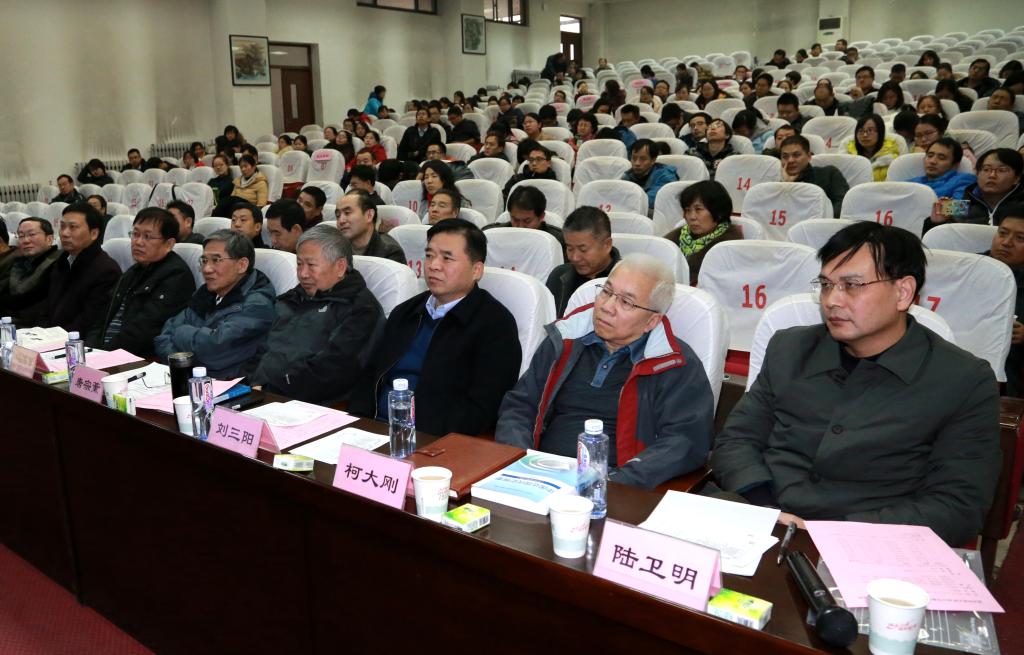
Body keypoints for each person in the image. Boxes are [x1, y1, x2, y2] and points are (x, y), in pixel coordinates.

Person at [710, 222, 1000, 546]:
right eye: (826, 285)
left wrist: (835, 533)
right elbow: (737, 439)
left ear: (903, 292)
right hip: (761, 519)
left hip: (871, 546)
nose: (832, 300)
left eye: (852, 285)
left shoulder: (963, 380)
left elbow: (957, 506)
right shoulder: (790, 349)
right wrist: (764, 507)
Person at [496, 253, 714, 490]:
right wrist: (521, 461)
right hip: (539, 474)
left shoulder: (675, 364)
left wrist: (616, 483)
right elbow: (520, 406)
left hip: (615, 486)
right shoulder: (565, 339)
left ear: (652, 321)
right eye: (606, 292)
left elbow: (684, 441)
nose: (607, 307)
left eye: (626, 302)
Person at [349, 219, 521, 436]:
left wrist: (423, 440)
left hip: (433, 440)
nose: (433, 265)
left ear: (476, 270)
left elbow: (483, 408)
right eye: (429, 255)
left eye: (447, 258)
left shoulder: (495, 325)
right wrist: (357, 426)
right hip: (373, 429)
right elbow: (370, 375)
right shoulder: (406, 312)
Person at [248, 226, 385, 404]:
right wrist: (246, 383)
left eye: (311, 265)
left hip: (307, 404)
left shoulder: (361, 309)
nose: (303, 274)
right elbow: (260, 348)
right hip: (260, 393)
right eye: (299, 264)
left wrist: (270, 389)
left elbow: (334, 370)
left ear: (340, 267)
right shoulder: (292, 298)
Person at [155, 229, 276, 379]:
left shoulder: (258, 306)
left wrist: (179, 333)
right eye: (204, 260)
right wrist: (182, 362)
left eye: (216, 260)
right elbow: (163, 337)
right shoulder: (205, 294)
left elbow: (213, 353)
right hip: (189, 378)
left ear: (242, 265)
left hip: (230, 385)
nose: (206, 269)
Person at [91, 208, 195, 357]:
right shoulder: (133, 271)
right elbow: (102, 317)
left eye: (147, 237)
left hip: (138, 358)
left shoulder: (176, 275)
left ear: (169, 244)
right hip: (105, 354)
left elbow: (143, 331)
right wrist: (91, 349)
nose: (138, 242)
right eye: (135, 234)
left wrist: (103, 355)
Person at [46, 203, 121, 340]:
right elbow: (46, 305)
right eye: (62, 226)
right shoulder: (61, 261)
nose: (64, 233)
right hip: (49, 337)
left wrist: (53, 339)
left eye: (73, 227)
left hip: (75, 342)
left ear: (94, 234)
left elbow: (89, 320)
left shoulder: (106, 270)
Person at [659, 180, 742, 285]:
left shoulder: (730, 244)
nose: (691, 217)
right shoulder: (680, 235)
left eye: (698, 209)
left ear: (719, 212)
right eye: (688, 210)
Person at [546, 207, 622, 316]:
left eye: (583, 250)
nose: (575, 257)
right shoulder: (558, 276)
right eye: (570, 248)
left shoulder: (627, 282)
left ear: (607, 245)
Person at [987, 205, 1024, 396]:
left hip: (1010, 374)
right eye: (1002, 233)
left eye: (1020, 238)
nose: (1006, 243)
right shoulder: (967, 268)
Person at [0, 218, 61, 327]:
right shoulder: (18, 261)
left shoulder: (58, 262)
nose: (26, 240)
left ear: (49, 239)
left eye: (32, 235)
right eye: (21, 236)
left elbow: (30, 299)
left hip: (37, 326)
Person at [779, 135, 849, 218]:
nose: (790, 160)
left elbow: (844, 204)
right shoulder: (778, 184)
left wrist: (817, 219)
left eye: (796, 155)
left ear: (809, 156)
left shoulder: (829, 174)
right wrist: (788, 186)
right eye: (785, 157)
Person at [484, 185, 565, 256]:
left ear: (541, 217)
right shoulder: (491, 235)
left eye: (527, 221)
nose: (520, 226)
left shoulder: (558, 241)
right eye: (515, 220)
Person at [336, 189, 405, 263]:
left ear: (369, 215)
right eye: (338, 215)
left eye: (347, 213)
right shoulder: (336, 248)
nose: (341, 221)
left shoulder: (390, 252)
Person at [911, 137, 976, 214]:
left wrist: (919, 208)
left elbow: (962, 208)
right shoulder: (911, 183)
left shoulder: (963, 180)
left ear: (955, 164)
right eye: (930, 156)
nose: (932, 161)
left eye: (941, 158)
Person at [961, 148, 1024, 224]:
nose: (992, 175)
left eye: (1001, 170)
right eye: (986, 169)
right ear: (977, 174)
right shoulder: (958, 206)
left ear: (1017, 178)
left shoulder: (1021, 206)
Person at [622, 139, 679, 212]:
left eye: (643, 159)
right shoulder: (628, 175)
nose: (637, 163)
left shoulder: (666, 175)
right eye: (634, 158)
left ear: (653, 160)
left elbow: (651, 201)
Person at [846, 114, 899, 182]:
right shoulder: (848, 155)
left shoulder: (891, 156)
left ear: (880, 132)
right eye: (861, 131)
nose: (865, 135)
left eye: (870, 130)